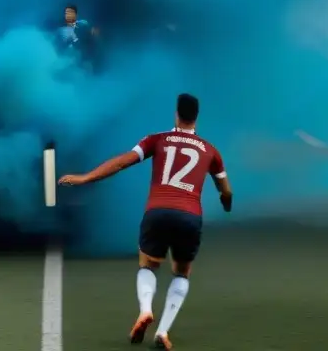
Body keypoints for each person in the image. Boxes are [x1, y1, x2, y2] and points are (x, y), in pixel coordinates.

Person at [58, 93, 232, 350]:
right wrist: (226, 203)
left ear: (176, 114)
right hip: (189, 216)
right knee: (182, 272)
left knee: (147, 266)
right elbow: (225, 190)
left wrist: (85, 178)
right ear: (196, 117)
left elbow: (120, 163)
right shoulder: (210, 150)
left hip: (158, 212)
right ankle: (162, 332)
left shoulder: (157, 140)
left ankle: (145, 310)